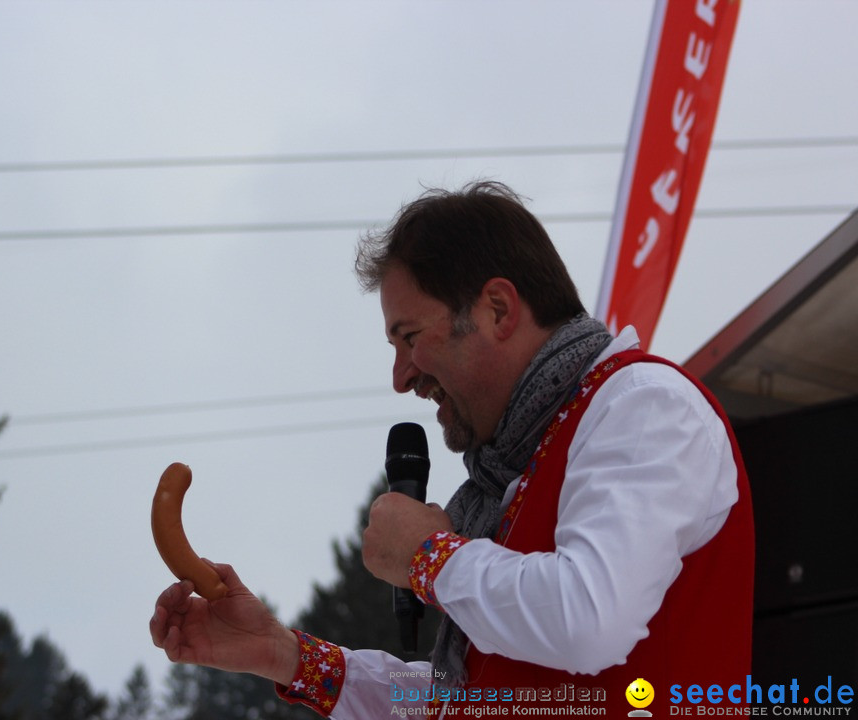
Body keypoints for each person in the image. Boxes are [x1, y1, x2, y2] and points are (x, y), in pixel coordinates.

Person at [150, 181, 754, 718]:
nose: (400, 377)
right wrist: (284, 655)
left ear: (497, 309)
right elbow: (474, 698)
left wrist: (429, 556)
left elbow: (589, 618)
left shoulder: (643, 405)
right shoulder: (514, 469)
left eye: (409, 337)